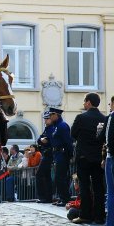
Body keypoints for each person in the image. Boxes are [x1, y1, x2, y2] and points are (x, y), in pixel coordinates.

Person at [70, 93, 106, 224]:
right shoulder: (104, 118)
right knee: (99, 188)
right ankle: (99, 216)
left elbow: (73, 134)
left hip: (84, 157)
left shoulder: (81, 117)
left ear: (89, 102)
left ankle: (85, 215)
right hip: (98, 158)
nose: (84, 104)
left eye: (85, 102)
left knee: (84, 186)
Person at [49, 107, 73, 207]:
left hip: (63, 154)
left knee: (61, 177)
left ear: (56, 115)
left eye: (51, 115)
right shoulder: (56, 126)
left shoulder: (62, 126)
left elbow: (68, 142)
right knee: (58, 178)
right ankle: (62, 197)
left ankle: (65, 198)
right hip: (57, 154)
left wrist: (70, 155)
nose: (50, 117)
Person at [98, 95, 114, 226]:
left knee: (111, 192)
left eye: (110, 104)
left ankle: (110, 222)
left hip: (111, 157)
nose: (109, 106)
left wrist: (99, 131)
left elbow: (103, 138)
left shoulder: (110, 117)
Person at [36, 110, 54, 203]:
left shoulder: (51, 128)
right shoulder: (47, 128)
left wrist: (43, 140)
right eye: (45, 119)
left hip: (49, 154)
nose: (45, 121)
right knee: (46, 176)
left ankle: (43, 196)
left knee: (40, 174)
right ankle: (47, 197)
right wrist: (42, 139)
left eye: (47, 119)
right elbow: (39, 139)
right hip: (45, 154)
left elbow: (49, 141)